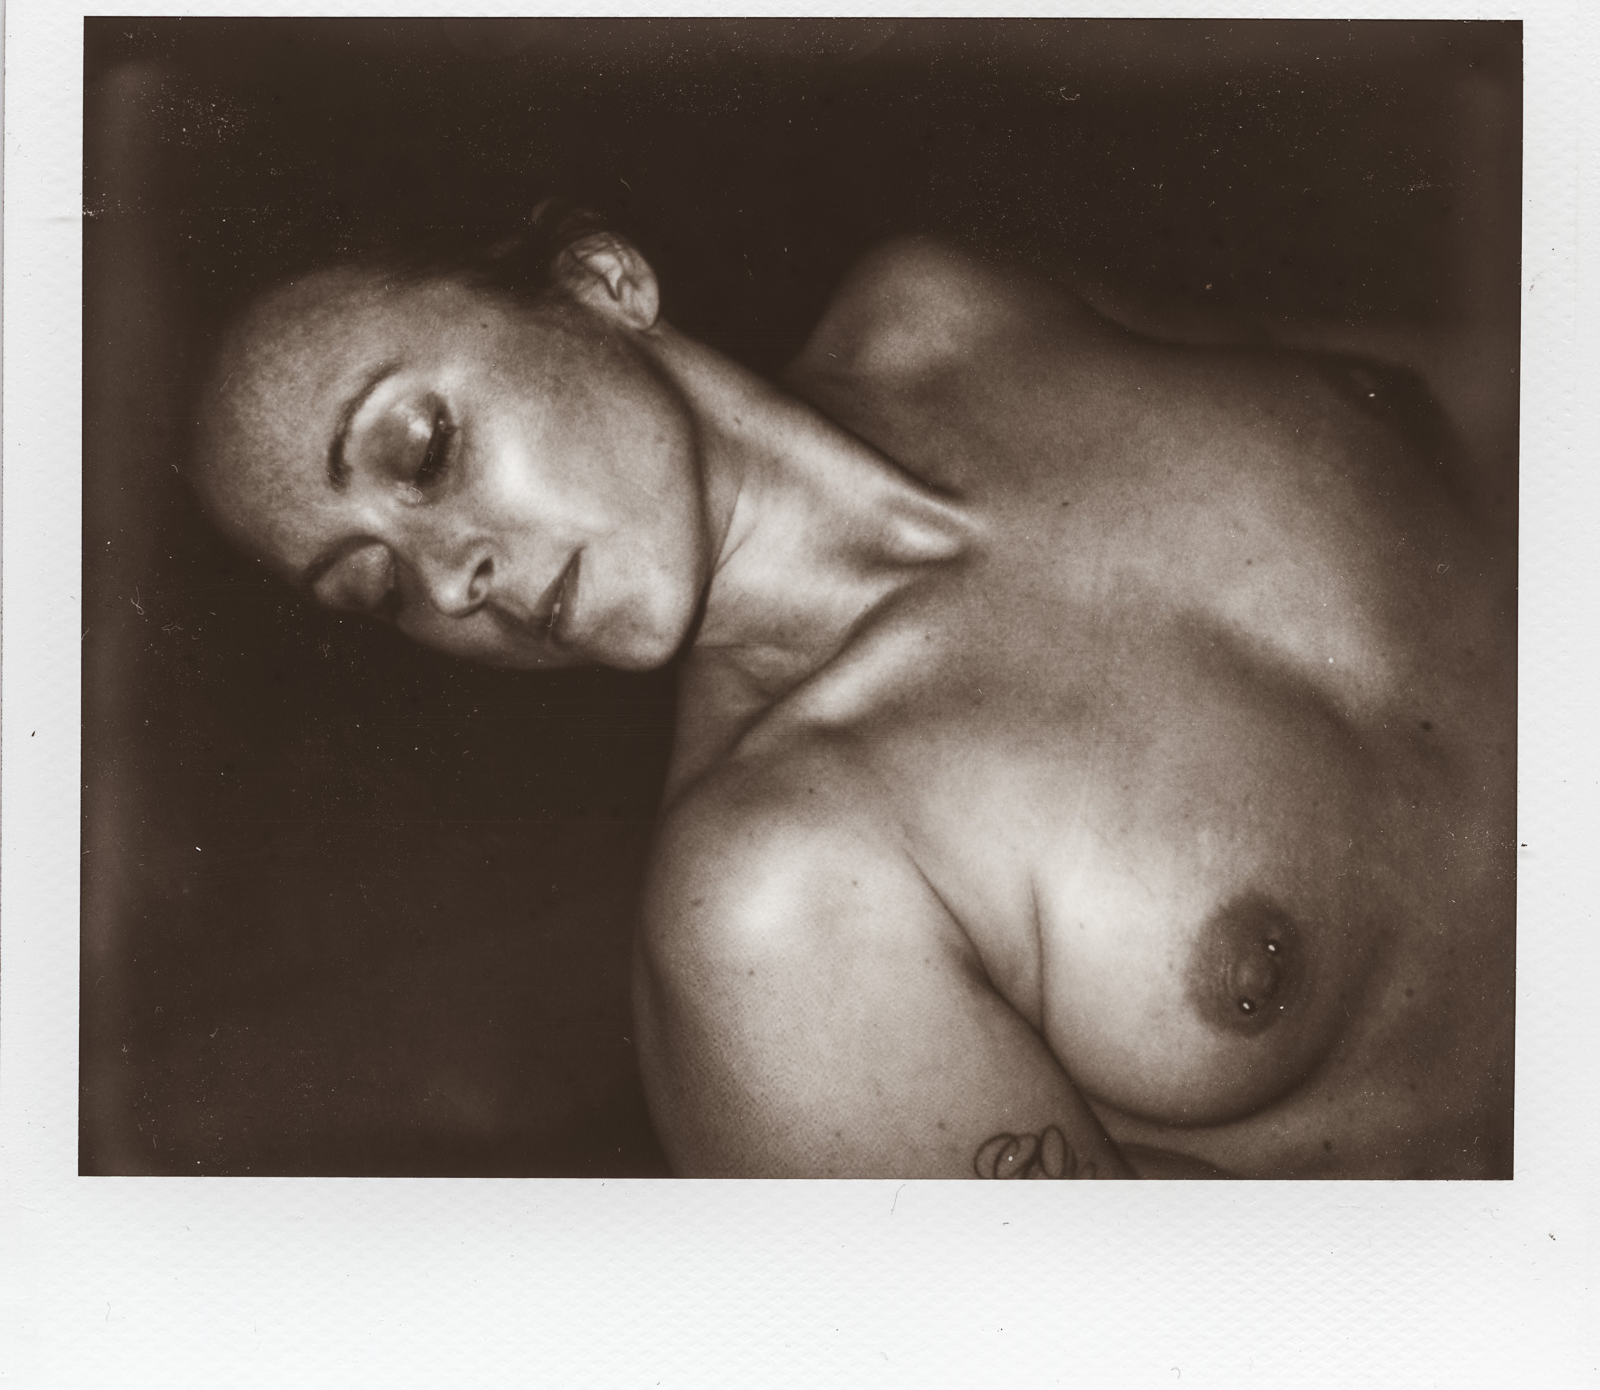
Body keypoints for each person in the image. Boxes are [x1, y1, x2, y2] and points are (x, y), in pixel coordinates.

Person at [193, 211, 1516, 1179]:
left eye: (424, 449)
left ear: (601, 284)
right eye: (376, 588)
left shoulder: (952, 300)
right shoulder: (776, 912)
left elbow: (1478, 396)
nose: (450, 580)